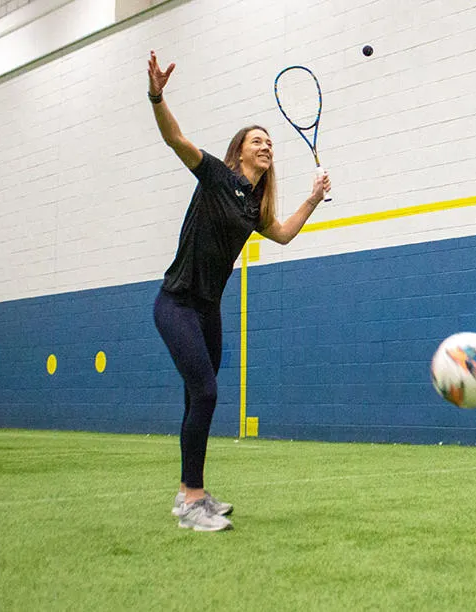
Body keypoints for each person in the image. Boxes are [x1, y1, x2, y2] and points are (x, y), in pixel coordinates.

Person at [147, 51, 331, 531]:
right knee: (205, 392)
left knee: (198, 397)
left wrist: (312, 198)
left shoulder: (253, 207)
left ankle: (195, 491)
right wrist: (156, 94)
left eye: (270, 141)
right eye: (258, 140)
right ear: (239, 151)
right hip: (176, 302)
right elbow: (174, 138)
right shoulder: (215, 177)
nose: (267, 145)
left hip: (208, 310)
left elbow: (285, 232)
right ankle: (190, 502)